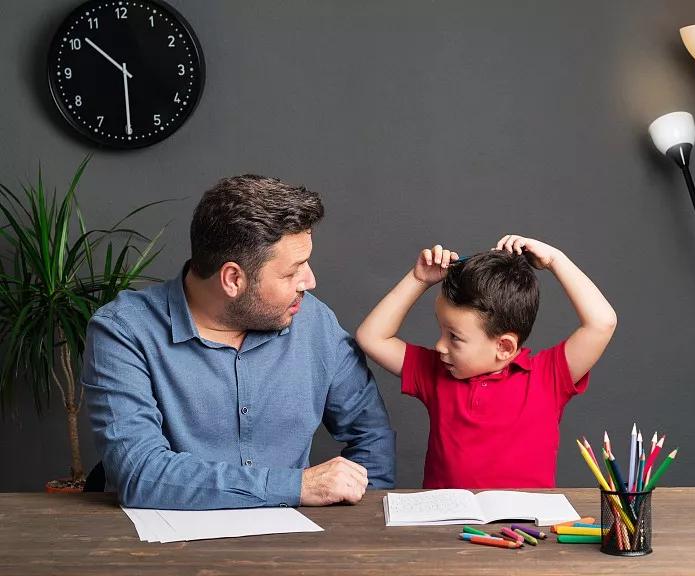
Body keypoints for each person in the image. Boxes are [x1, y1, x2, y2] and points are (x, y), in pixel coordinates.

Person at [83, 175, 395, 509]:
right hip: (159, 549)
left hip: (291, 547)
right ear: (233, 279)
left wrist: (353, 519)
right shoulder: (124, 331)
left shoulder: (315, 323)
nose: (310, 281)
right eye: (292, 272)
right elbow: (141, 473)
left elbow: (372, 437)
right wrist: (295, 487)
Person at [355, 234, 616, 488]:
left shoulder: (548, 377)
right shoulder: (436, 372)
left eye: (454, 337)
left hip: (524, 529)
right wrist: (417, 279)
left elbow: (602, 323)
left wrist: (555, 260)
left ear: (504, 347)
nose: (439, 345)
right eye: (442, 331)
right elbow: (371, 337)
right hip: (446, 526)